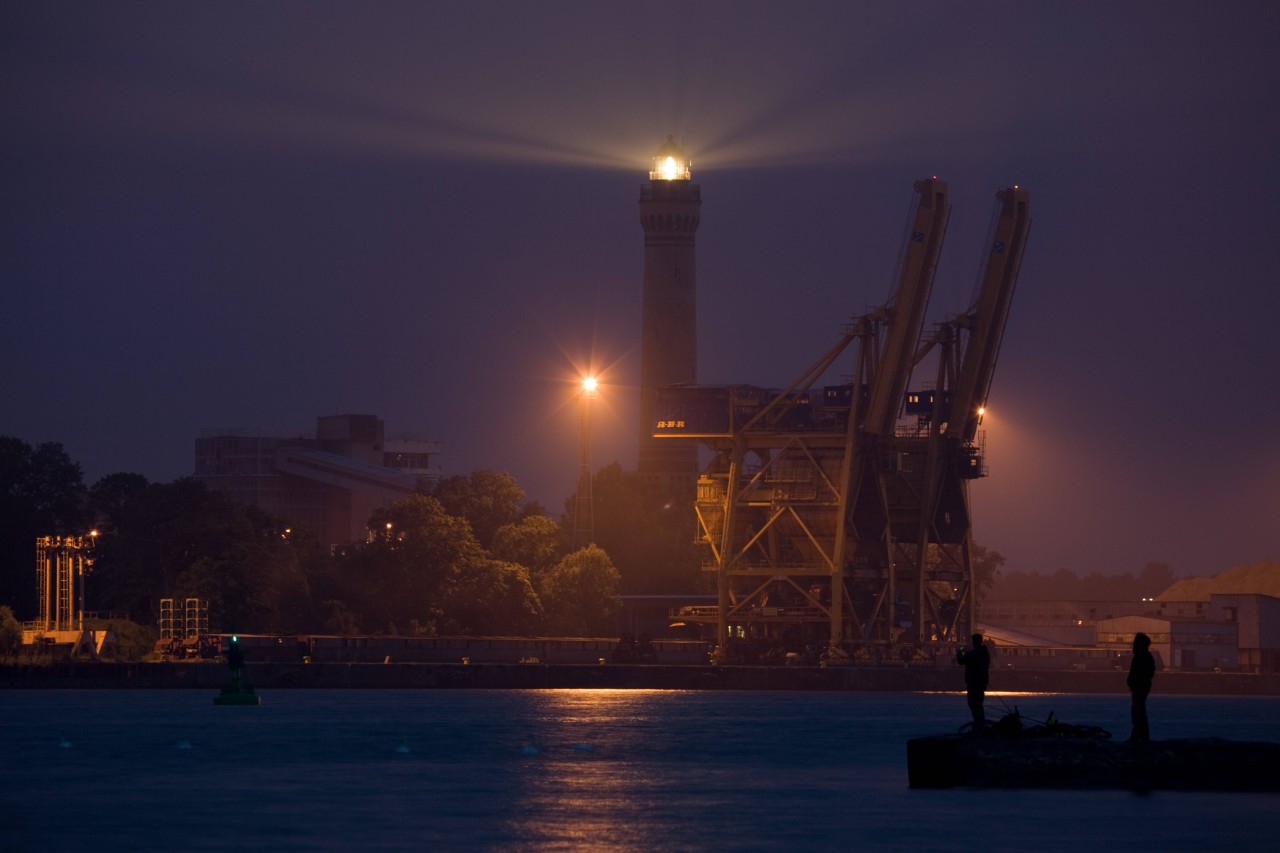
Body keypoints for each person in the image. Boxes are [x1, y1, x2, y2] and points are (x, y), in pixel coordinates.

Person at [1127, 631, 1155, 743]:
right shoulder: (1146, 657)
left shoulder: (1140, 657)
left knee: (1138, 710)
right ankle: (1140, 735)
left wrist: (1133, 682)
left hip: (1139, 687)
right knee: (1139, 710)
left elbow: (1138, 672)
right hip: (1141, 687)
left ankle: (1139, 736)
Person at [957, 633, 990, 726]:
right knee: (979, 704)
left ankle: (979, 725)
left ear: (974, 642)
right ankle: (981, 724)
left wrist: (959, 653)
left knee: (973, 704)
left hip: (973, 683)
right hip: (982, 682)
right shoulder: (985, 653)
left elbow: (961, 661)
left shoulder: (973, 653)